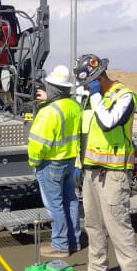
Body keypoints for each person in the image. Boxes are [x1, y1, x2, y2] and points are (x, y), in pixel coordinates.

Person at [72, 53, 137, 271]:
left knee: (118, 227)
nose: (86, 87)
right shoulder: (91, 98)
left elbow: (108, 122)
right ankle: (97, 269)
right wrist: (79, 166)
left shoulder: (125, 96)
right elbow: (84, 132)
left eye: (90, 82)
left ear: (100, 76)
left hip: (114, 174)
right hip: (91, 170)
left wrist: (94, 95)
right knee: (93, 224)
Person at [28, 65, 82, 258]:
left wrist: (34, 163)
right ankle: (73, 241)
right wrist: (48, 100)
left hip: (50, 163)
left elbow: (38, 144)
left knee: (55, 205)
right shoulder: (75, 106)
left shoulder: (48, 112)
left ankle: (59, 245)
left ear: (53, 88)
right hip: (69, 160)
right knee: (71, 201)